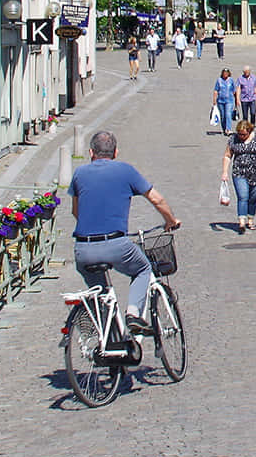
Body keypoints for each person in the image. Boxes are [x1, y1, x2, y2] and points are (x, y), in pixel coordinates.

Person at [68, 129, 181, 334]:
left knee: (100, 293)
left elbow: (76, 211)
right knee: (142, 269)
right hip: (115, 245)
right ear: (116, 152)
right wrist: (171, 220)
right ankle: (133, 315)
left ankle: (108, 340)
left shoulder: (79, 174)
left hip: (83, 250)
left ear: (91, 152)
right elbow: (157, 199)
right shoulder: (126, 171)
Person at [221, 117, 256, 232]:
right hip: (239, 172)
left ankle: (250, 219)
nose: (241, 136)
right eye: (240, 134)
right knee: (243, 196)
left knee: (253, 197)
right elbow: (227, 155)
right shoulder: (233, 139)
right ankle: (241, 221)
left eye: (244, 134)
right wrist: (224, 171)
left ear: (249, 132)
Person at [213, 68, 238, 135]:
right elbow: (216, 90)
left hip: (229, 100)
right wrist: (214, 100)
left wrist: (237, 100)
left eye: (226, 73)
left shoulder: (231, 80)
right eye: (224, 73)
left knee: (228, 114)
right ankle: (224, 129)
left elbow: (235, 91)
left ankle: (228, 129)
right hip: (220, 101)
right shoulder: (219, 80)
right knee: (223, 116)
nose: (225, 74)